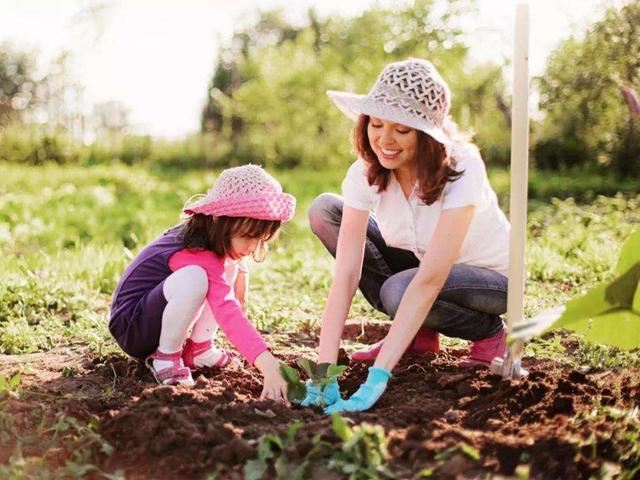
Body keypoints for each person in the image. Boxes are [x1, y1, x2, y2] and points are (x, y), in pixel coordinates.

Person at [304, 58, 511, 413]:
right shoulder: (366, 171)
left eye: (401, 130)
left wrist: (377, 378)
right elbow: (347, 274)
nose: (384, 140)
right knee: (326, 211)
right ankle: (418, 335)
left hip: (490, 281)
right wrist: (324, 372)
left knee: (399, 292)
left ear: (427, 135)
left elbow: (429, 279)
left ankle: (490, 335)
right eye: (376, 123)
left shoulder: (461, 166)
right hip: (421, 263)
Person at [109, 165, 295, 404]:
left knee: (228, 265)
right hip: (133, 327)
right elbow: (227, 311)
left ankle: (199, 349)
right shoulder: (194, 250)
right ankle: (165, 358)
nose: (252, 247)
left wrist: (240, 271)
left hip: (154, 316)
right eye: (248, 237)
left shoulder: (213, 241)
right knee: (196, 277)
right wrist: (268, 366)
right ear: (220, 219)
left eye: (260, 239)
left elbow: (229, 280)